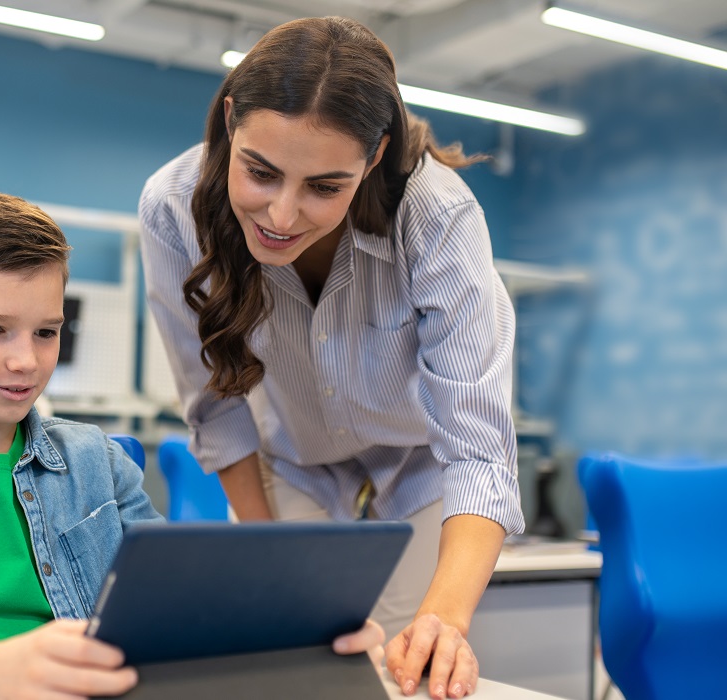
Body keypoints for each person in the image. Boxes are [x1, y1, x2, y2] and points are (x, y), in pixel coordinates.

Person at [0, 191, 386, 700]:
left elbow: (174, 608)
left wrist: (303, 631)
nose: (26, 360)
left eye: (47, 332)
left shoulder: (98, 462)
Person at [139, 16, 524, 700]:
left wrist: (446, 620)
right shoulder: (173, 209)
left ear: (373, 158)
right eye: (260, 172)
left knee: (408, 673)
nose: (282, 216)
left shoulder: (438, 217)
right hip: (290, 463)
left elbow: (478, 451)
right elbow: (215, 409)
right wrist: (271, 569)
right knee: (288, 667)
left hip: (423, 468)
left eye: (324, 186)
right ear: (231, 121)